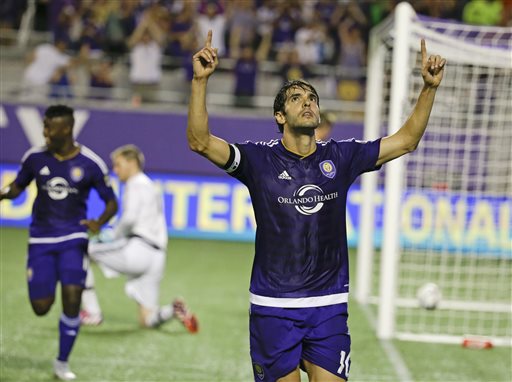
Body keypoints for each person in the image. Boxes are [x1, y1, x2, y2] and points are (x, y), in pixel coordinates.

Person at [187, 31, 445, 382]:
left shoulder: (341, 156)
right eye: (296, 98)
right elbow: (200, 141)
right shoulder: (257, 160)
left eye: (312, 98)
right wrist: (200, 81)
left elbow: (406, 141)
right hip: (273, 306)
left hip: (328, 306)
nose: (308, 102)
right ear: (280, 115)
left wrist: (428, 88)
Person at [0, 104, 118, 381]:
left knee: (73, 297)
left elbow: (112, 202)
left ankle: (62, 363)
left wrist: (98, 222)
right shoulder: (34, 157)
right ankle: (48, 301)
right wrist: (3, 193)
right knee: (41, 306)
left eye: (49, 127)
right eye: (44, 126)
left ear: (65, 129)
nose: (44, 132)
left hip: (73, 238)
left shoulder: (91, 163)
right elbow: (17, 187)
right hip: (40, 238)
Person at [80, 145, 199, 333]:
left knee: (80, 251)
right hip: (157, 256)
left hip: (138, 250)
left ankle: (91, 311)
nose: (115, 170)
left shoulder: (134, 183)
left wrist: (111, 235)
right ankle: (173, 310)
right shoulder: (150, 185)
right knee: (147, 319)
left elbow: (129, 218)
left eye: (118, 165)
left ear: (132, 163)